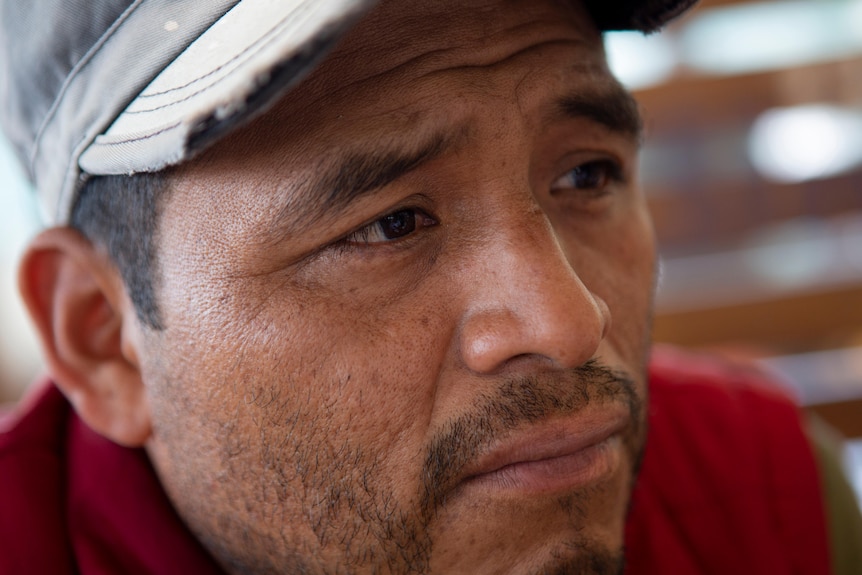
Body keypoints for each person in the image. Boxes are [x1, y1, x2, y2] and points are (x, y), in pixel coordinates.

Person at [0, 0, 859, 573]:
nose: (566, 322)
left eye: (586, 176)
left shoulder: (762, 502)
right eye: (391, 225)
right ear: (102, 335)